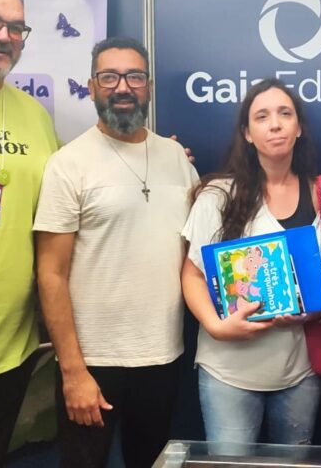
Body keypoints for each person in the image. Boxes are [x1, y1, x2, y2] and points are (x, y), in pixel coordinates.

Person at [34, 37, 199, 468]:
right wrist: (73, 371)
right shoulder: (68, 164)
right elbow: (50, 273)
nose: (122, 87)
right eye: (109, 77)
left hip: (163, 356)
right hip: (93, 363)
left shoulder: (177, 159)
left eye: (134, 77)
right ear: (92, 87)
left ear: (148, 88)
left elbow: (198, 253)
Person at [181, 78, 321, 454]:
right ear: (246, 133)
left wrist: (314, 312)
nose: (275, 124)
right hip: (228, 372)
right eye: (262, 116)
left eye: (285, 114)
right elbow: (191, 274)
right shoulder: (218, 196)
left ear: (299, 126)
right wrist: (217, 327)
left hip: (299, 372)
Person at [0, 0, 59, 467]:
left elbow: (64, 194)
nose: (4, 36)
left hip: (11, 347)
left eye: (16, 28)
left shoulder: (34, 115)